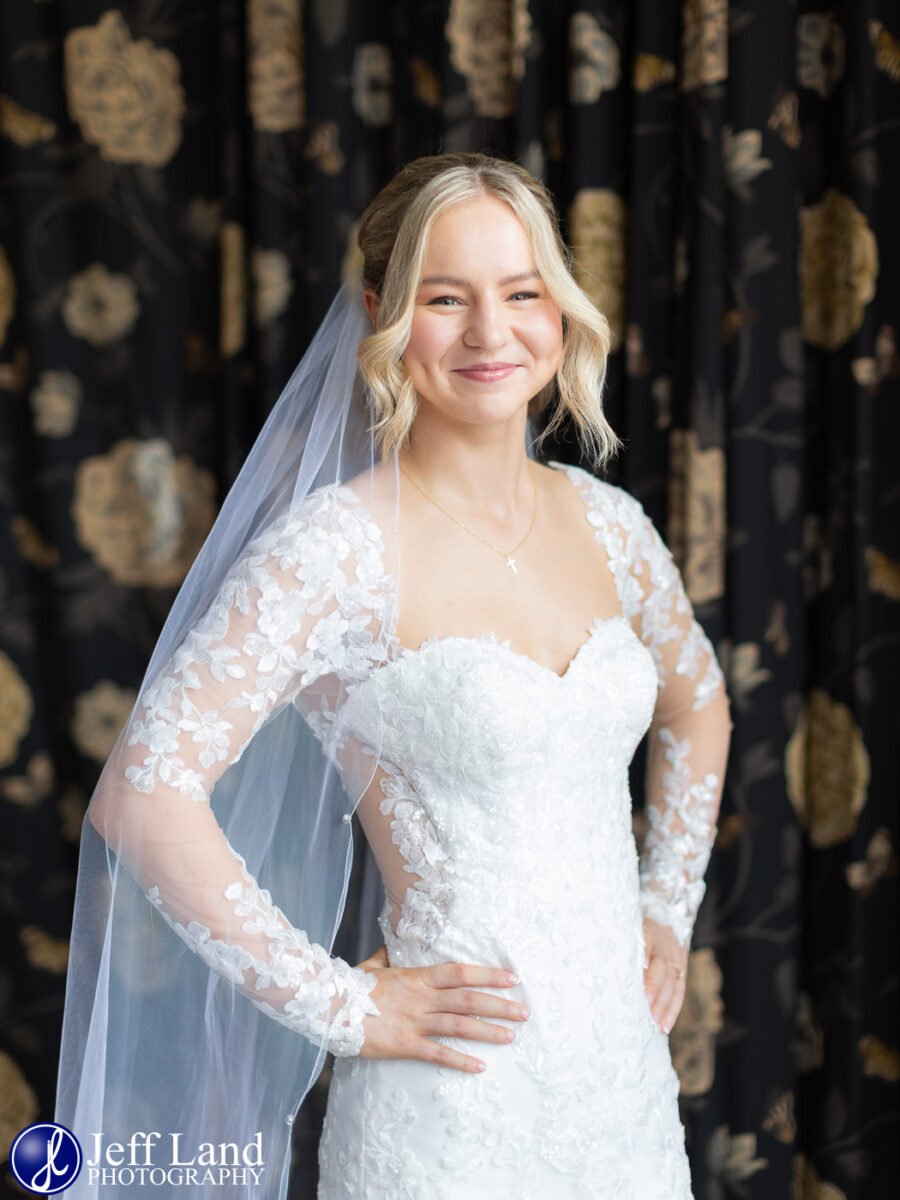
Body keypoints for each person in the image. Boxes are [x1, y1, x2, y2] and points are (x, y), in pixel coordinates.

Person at [54, 152, 733, 1200]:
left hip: (622, 1102)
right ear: (380, 313)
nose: (490, 333)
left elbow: (700, 701)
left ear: (560, 309)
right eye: (443, 298)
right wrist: (344, 1005)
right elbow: (140, 797)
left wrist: (665, 909)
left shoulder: (613, 528)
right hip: (446, 1106)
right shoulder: (334, 552)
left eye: (522, 293)